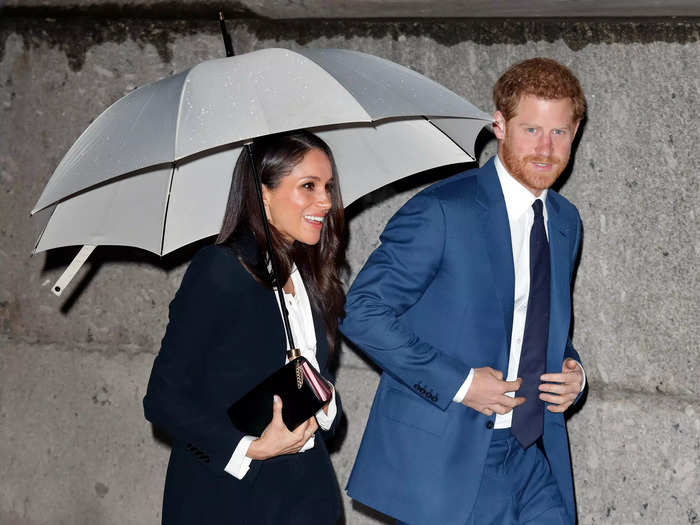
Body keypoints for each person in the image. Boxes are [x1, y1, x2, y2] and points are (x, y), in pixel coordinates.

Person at [340, 58, 587, 525]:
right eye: (531, 129)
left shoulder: (566, 221)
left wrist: (573, 372)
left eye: (559, 133)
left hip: (534, 450)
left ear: (575, 130)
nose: (545, 148)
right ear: (499, 124)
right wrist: (463, 383)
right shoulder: (442, 211)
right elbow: (363, 310)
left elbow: (537, 323)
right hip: (455, 453)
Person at [143, 130, 346, 524]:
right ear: (264, 194)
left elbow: (321, 395)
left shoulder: (313, 275)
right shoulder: (221, 269)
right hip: (227, 499)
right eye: (308, 186)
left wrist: (322, 398)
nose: (325, 201)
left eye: (328, 187)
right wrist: (250, 448)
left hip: (308, 497)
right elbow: (163, 400)